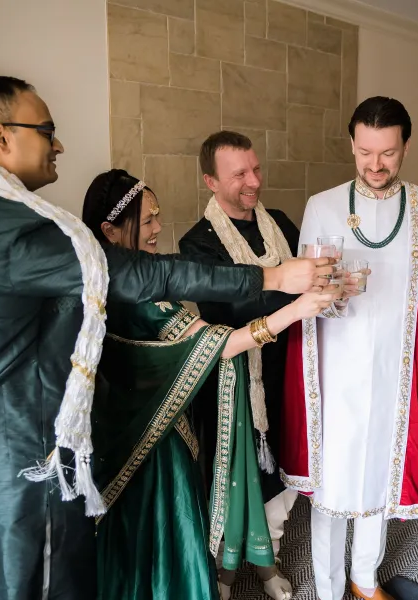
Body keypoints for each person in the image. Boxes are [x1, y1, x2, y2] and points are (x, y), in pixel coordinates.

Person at [0, 75, 328, 600]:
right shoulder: (14, 228)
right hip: (18, 467)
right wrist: (272, 278)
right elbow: (147, 276)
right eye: (47, 130)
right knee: (31, 582)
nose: (58, 144)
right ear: (0, 136)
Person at [82, 169, 335, 600]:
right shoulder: (141, 298)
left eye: (157, 216)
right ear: (110, 230)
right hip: (155, 447)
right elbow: (217, 344)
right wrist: (297, 310)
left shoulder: (96, 282)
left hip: (115, 435)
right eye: (147, 221)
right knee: (166, 535)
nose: (159, 228)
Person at [279, 96, 418, 600]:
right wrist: (333, 296)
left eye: (388, 153)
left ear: (405, 145)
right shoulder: (324, 205)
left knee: (383, 471)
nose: (375, 165)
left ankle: (363, 578)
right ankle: (329, 586)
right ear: (352, 144)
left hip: (397, 371)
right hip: (335, 369)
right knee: (331, 483)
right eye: (365, 152)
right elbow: (306, 294)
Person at [178, 131, 310, 598]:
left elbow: (306, 280)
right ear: (211, 181)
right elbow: (231, 308)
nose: (254, 181)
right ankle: (226, 573)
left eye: (256, 168)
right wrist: (294, 289)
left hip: (288, 371)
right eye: (240, 174)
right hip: (235, 381)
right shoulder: (197, 244)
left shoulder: (279, 222)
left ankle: (268, 560)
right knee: (237, 481)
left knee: (287, 474)